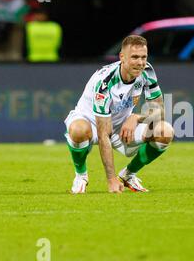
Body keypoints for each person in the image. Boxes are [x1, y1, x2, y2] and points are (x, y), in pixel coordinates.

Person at [64, 35, 174, 194]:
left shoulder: (147, 71)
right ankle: (81, 175)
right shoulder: (105, 82)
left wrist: (136, 117)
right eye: (135, 57)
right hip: (92, 124)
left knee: (165, 131)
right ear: (122, 57)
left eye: (144, 57)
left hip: (120, 126)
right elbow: (103, 135)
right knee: (79, 129)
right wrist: (111, 179)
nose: (140, 63)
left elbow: (159, 110)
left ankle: (129, 174)